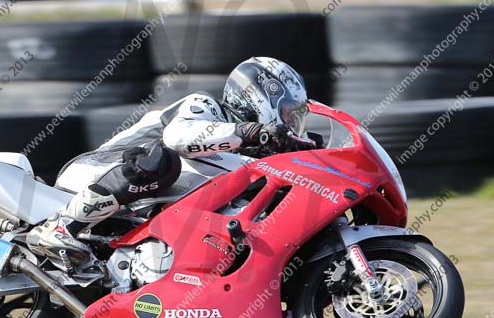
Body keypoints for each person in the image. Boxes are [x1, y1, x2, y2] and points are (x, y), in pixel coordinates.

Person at [27, 56, 311, 264]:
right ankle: (62, 226)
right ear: (259, 97)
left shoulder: (242, 154)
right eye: (287, 114)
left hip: (128, 212)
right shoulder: (205, 107)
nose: (288, 123)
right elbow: (177, 138)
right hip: (95, 172)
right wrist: (253, 131)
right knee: (164, 161)